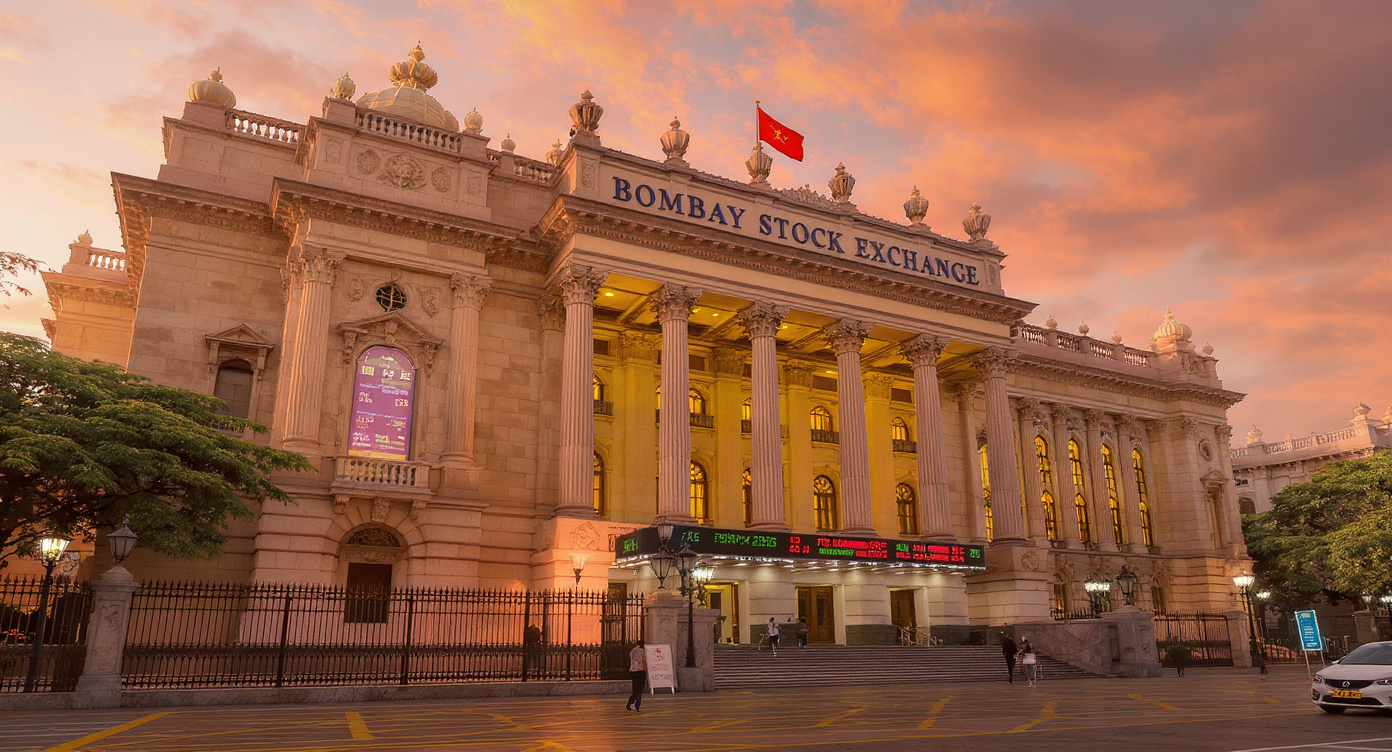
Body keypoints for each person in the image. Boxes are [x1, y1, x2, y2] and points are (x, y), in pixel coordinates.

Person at [626, 640, 646, 712]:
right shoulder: (640, 650)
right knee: (639, 690)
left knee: (635, 690)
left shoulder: (632, 651)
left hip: (633, 671)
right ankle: (636, 705)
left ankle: (630, 704)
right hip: (639, 671)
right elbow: (642, 660)